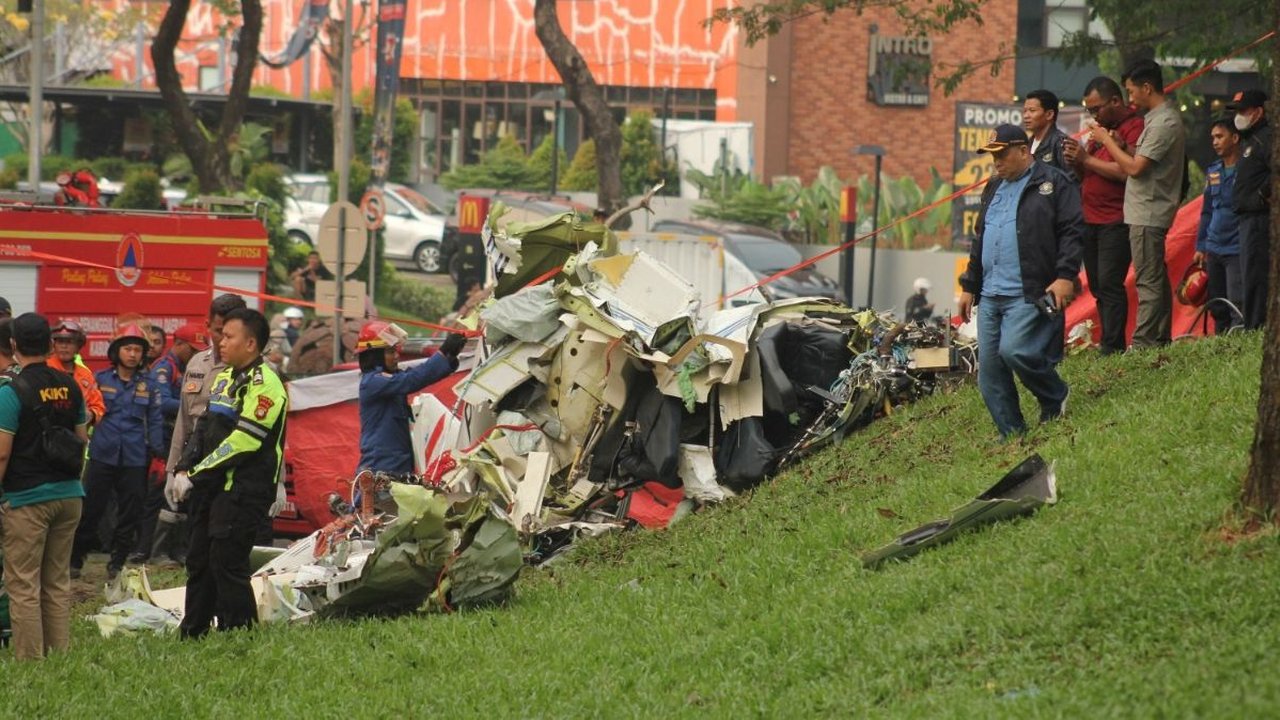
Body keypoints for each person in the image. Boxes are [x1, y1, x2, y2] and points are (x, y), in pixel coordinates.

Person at [166, 308, 288, 638]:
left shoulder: (267, 386)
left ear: (251, 344)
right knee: (199, 560)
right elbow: (202, 427)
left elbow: (244, 442)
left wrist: (196, 474)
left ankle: (239, 634)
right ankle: (193, 632)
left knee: (227, 562)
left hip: (244, 490)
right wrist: (182, 467)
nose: (220, 341)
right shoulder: (224, 378)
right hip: (213, 487)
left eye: (229, 336)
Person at [958, 124, 1084, 439]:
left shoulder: (1054, 182)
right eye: (992, 155)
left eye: (1001, 154)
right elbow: (980, 238)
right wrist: (969, 285)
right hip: (990, 294)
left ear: (1023, 150)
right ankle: (1012, 434)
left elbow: (1072, 231)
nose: (996, 162)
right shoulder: (993, 186)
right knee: (989, 372)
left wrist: (1066, 276)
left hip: (1029, 291)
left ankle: (1054, 395)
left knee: (1015, 351)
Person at [0, 313, 89, 660]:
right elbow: (81, 439)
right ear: (51, 345)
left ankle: (31, 662)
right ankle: (59, 657)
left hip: (27, 499)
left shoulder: (10, 392)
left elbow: (3, 455)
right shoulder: (71, 385)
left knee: (23, 584)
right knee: (56, 582)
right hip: (69, 496)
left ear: (14, 345)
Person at [1089, 59, 1185, 349]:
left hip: (1149, 210)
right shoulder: (1155, 118)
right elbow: (1139, 155)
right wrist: (1119, 142)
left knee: (1147, 280)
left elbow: (1135, 168)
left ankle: (1144, 341)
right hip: (1143, 209)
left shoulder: (1164, 121)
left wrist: (1106, 141)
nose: (1130, 99)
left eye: (1132, 92)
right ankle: (1158, 337)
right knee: (1154, 275)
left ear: (1147, 87)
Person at [157, 294, 248, 569]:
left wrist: (276, 482)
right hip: (194, 466)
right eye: (218, 330)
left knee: (227, 549)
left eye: (230, 333)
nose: (222, 339)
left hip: (233, 470)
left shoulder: (253, 370)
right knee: (197, 547)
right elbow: (184, 422)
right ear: (209, 325)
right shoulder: (197, 364)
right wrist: (173, 470)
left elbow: (270, 430)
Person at [70, 325, 164, 580]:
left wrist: (159, 457)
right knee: (91, 509)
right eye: (127, 348)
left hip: (134, 458)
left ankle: (117, 562)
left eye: (137, 349)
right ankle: (76, 560)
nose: (132, 354)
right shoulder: (100, 379)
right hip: (102, 454)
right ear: (116, 351)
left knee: (130, 512)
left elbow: (155, 422)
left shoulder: (150, 386)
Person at [1066, 76, 1144, 354]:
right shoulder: (1101, 132)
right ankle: (1109, 341)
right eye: (1089, 110)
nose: (1093, 115)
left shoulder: (1134, 128)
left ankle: (1113, 345)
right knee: (1098, 284)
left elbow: (1127, 172)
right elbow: (1088, 173)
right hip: (1091, 218)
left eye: (1097, 109)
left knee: (1111, 283)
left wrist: (1087, 159)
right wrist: (1078, 160)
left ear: (1116, 101)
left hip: (1116, 218)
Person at [132, 321, 209, 564]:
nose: (197, 354)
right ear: (178, 344)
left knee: (179, 498)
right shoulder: (164, 369)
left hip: (180, 439)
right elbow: (162, 404)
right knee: (160, 498)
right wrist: (196, 407)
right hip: (163, 442)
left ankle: (175, 549)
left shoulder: (185, 367)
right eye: (193, 349)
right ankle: (152, 551)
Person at [356, 321, 464, 475]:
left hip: (398, 464)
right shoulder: (373, 382)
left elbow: (415, 375)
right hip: (381, 466)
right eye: (390, 352)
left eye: (395, 351)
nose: (396, 356)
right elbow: (413, 379)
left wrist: (450, 356)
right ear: (374, 354)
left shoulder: (389, 379)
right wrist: (443, 352)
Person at [1194, 119, 1244, 334]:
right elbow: (1207, 210)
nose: (1214, 142)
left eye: (1220, 136)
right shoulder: (1213, 171)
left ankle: (1237, 343)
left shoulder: (1246, 169)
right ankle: (1219, 343)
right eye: (1213, 137)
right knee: (1216, 304)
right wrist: (1200, 245)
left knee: (1237, 302)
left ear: (1235, 138)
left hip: (1237, 247)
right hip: (1214, 247)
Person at [1229, 89, 1272, 330]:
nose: (1239, 116)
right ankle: (1253, 324)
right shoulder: (1250, 140)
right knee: (1248, 275)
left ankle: (1255, 327)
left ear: (1257, 112)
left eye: (1243, 111)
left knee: (1255, 275)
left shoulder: (1266, 138)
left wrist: (1260, 195)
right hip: (1246, 218)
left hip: (1258, 218)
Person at [48, 320, 105, 426]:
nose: (64, 346)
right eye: (60, 341)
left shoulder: (86, 375)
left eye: (69, 342)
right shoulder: (44, 369)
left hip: (77, 436)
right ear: (53, 344)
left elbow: (98, 407)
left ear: (78, 346)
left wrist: (90, 415)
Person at [1023, 89, 1077, 179]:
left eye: (1032, 111)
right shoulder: (1027, 144)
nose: (1026, 116)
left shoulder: (1061, 142)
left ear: (1049, 114)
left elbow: (1072, 180)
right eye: (1025, 111)